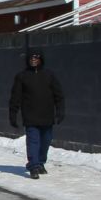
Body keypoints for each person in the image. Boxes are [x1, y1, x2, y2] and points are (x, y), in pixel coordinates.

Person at [9, 49, 65, 180]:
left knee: (45, 141)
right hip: (30, 116)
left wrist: (60, 111)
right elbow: (15, 97)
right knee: (33, 141)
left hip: (47, 116)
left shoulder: (49, 75)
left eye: (36, 57)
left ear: (41, 59)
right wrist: (13, 114)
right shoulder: (22, 76)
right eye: (31, 58)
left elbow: (59, 95)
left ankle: (40, 162)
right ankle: (33, 166)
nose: (33, 60)